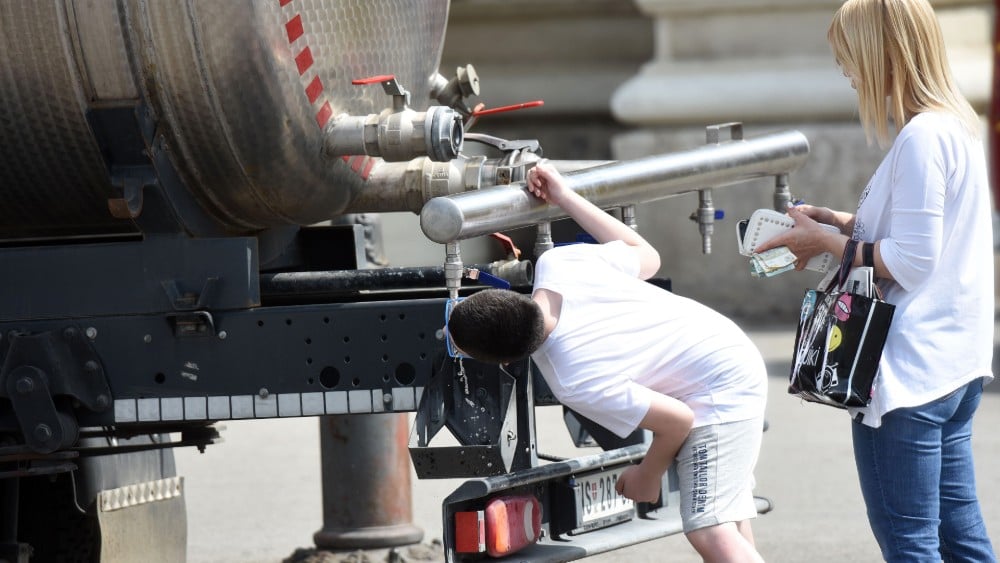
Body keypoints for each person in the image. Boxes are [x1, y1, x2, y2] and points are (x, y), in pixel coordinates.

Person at [754, 1, 996, 560]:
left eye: (850, 58)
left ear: (881, 55)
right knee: (962, 541)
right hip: (951, 366)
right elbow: (930, 239)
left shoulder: (922, 137)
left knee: (912, 546)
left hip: (910, 371)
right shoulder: (957, 126)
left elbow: (912, 261)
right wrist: (842, 224)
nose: (848, 73)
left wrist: (824, 245)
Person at [447, 160, 769, 562]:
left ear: (505, 360)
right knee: (729, 515)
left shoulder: (573, 379)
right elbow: (646, 255)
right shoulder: (559, 265)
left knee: (708, 529)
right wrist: (564, 197)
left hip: (720, 391)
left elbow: (678, 421)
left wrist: (646, 475)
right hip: (728, 349)